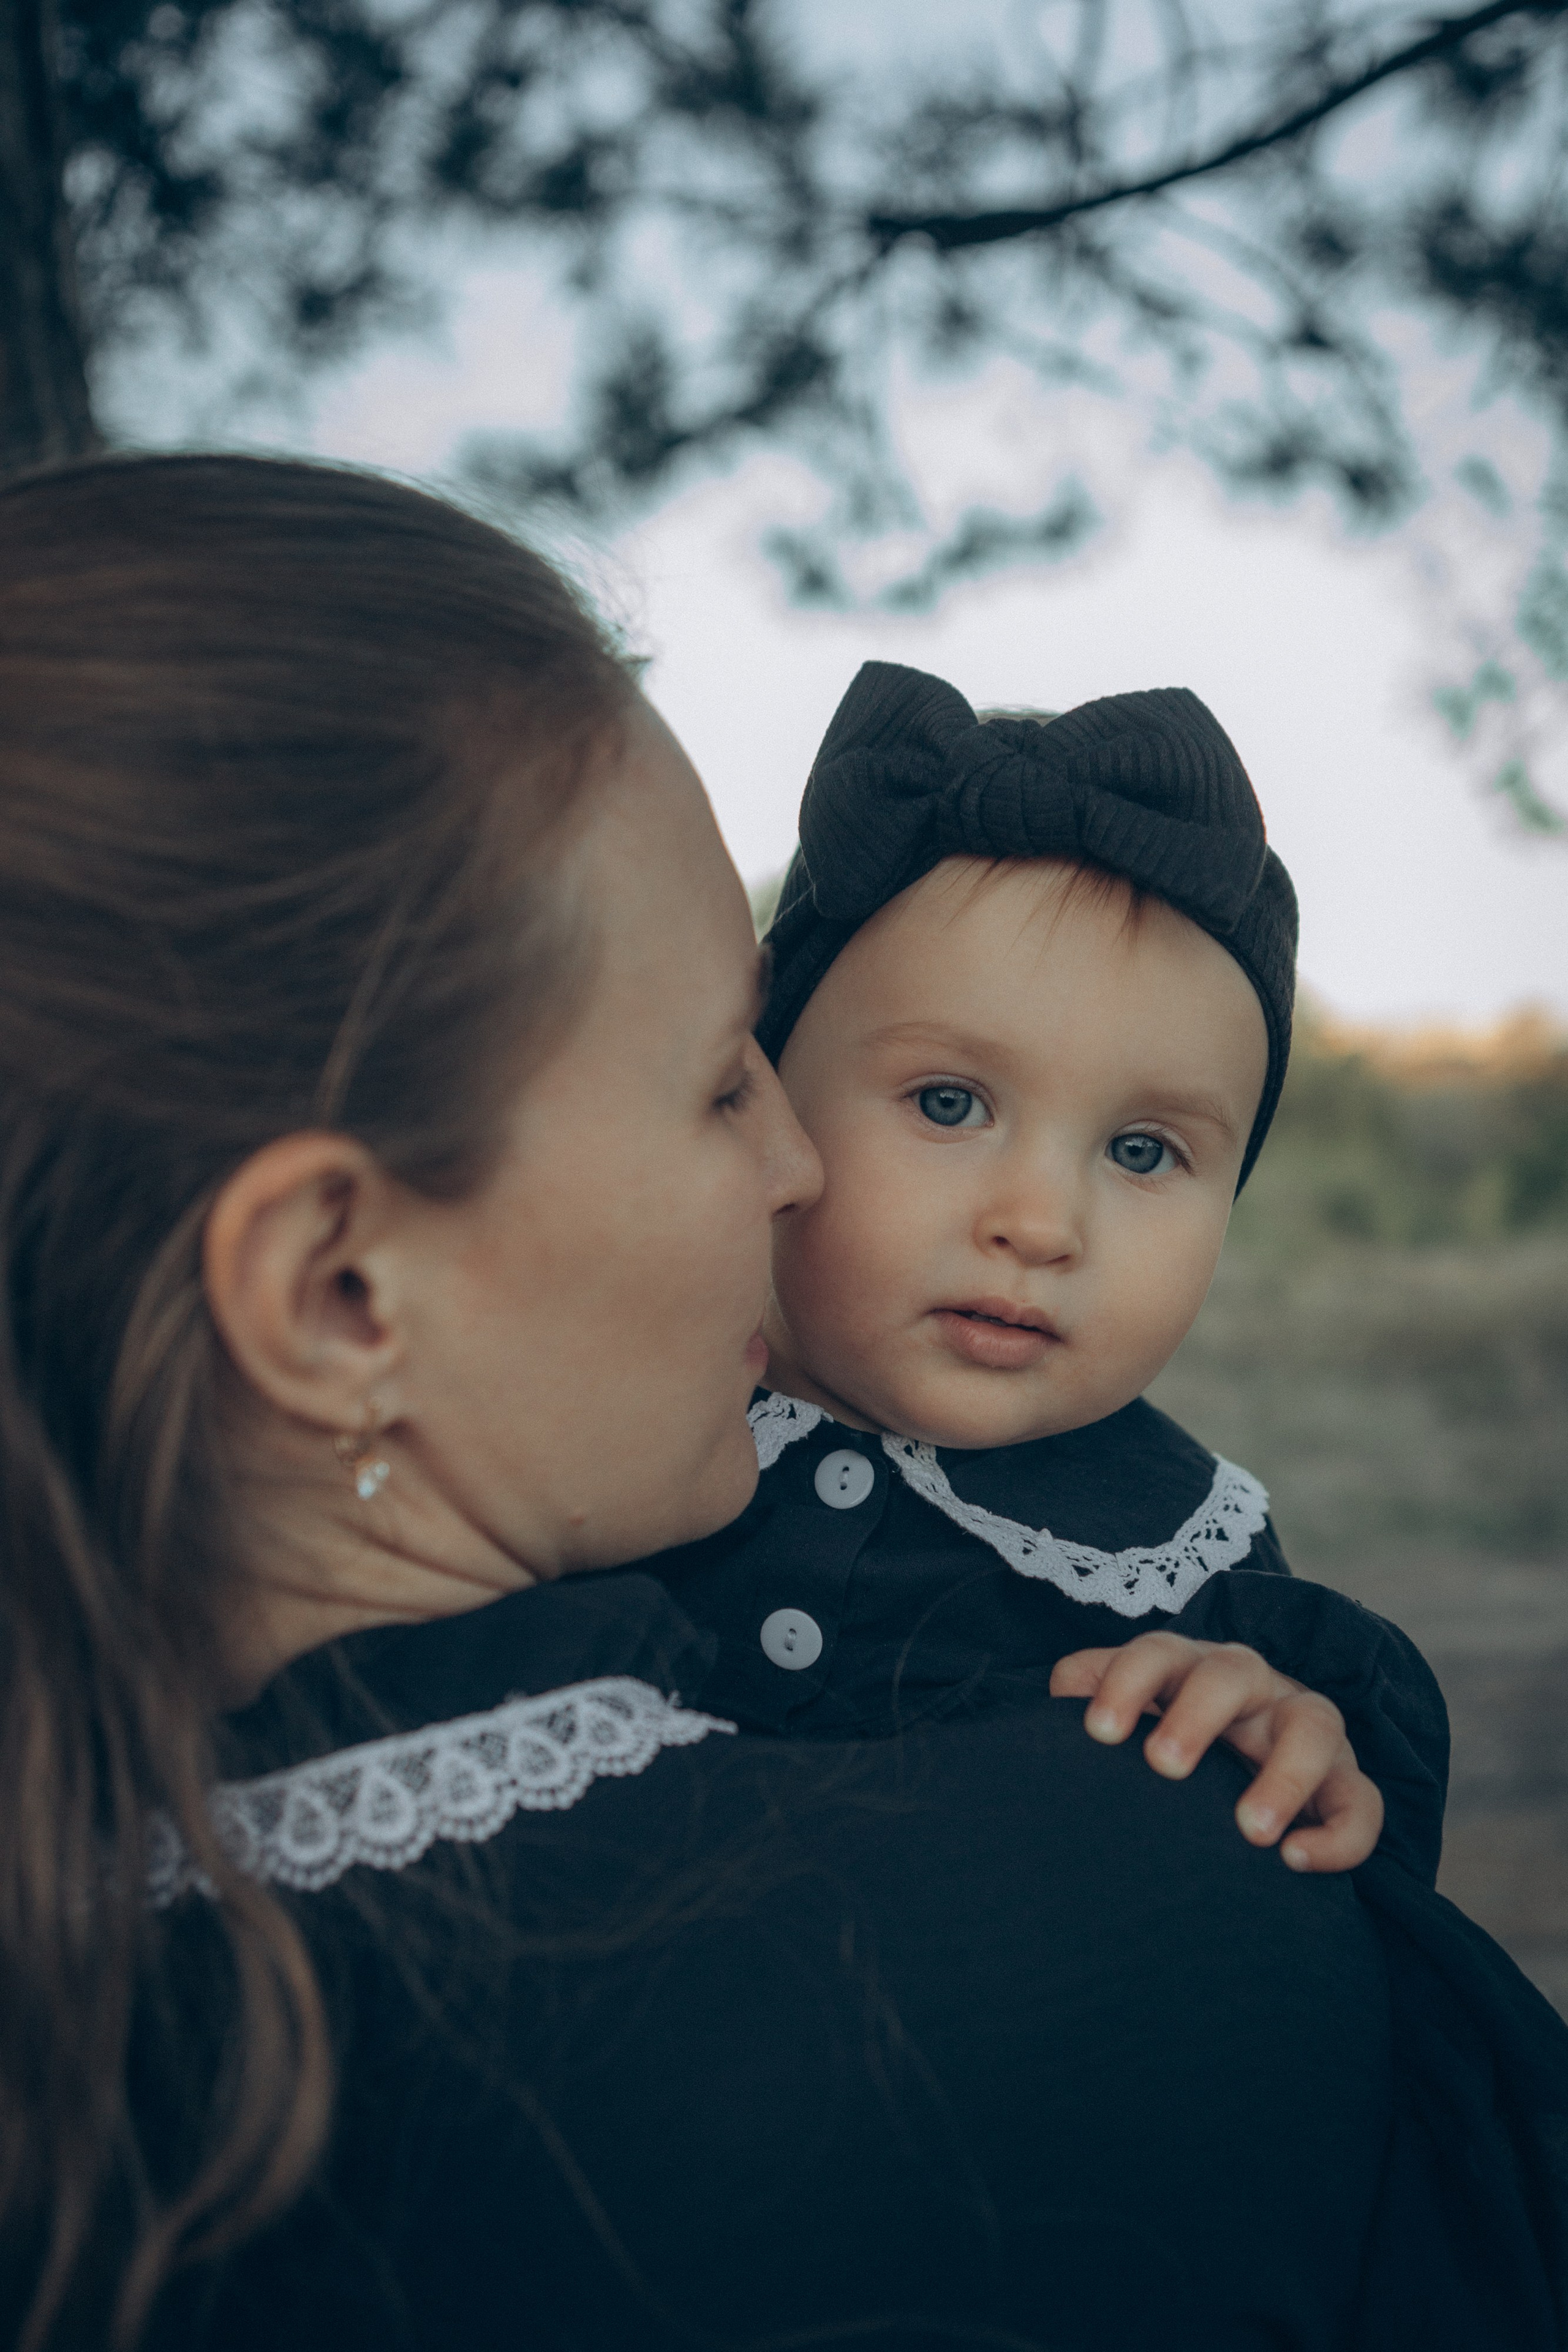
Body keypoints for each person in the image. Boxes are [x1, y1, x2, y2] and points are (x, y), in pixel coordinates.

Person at [0, 455, 1435, 2352]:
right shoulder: (1165, 1957)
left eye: (1153, 1150)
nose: (796, 1173)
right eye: (719, 1079)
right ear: (340, 1291)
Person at [623, 658, 1568, 2343]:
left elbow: (1311, 1917)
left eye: (1146, 1153)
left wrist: (1278, 1733)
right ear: (764, 1096)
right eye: (949, 1103)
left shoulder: (1180, 1552)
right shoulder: (617, 1424)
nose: (1039, 1217)